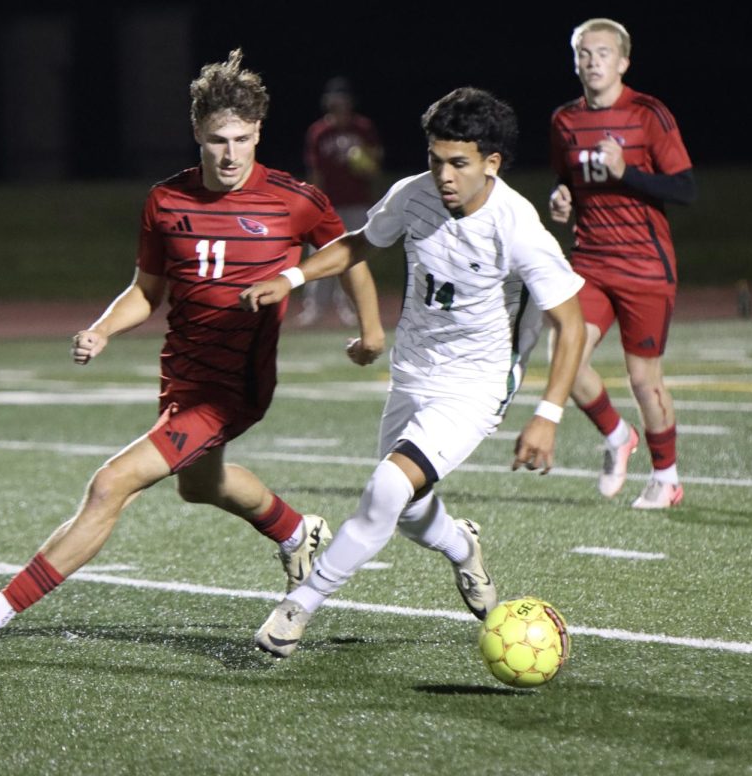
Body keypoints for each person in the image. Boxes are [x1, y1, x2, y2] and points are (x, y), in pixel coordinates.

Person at [0, 49, 386, 652]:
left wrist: (372, 329)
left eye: (242, 139)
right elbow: (146, 293)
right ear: (197, 136)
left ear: (259, 134)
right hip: (182, 377)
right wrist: (102, 329)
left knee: (110, 484)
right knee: (200, 486)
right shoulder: (165, 202)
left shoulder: (293, 198)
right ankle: (296, 531)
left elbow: (349, 251)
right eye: (216, 141)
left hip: (233, 388)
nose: (230, 155)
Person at [240, 86, 586, 658]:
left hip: (475, 385)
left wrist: (547, 416)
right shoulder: (414, 194)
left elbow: (570, 325)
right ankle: (462, 547)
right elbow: (358, 243)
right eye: (435, 158)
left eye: (458, 163)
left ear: (491, 164)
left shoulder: (517, 225)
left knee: (384, 490)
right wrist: (293, 278)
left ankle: (298, 606)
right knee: (406, 512)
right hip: (413, 372)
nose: (444, 175)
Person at [547, 18, 697, 509]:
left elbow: (685, 189)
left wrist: (627, 173)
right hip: (590, 259)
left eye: (603, 53)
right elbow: (567, 180)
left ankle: (667, 478)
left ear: (623, 61)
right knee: (564, 359)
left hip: (644, 265)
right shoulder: (564, 120)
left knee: (643, 378)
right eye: (584, 53)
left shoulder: (648, 113)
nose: (593, 62)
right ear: (575, 61)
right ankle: (616, 436)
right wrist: (562, 199)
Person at [296, 77, 385, 327]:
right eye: (335, 99)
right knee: (320, 256)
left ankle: (350, 306)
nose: (340, 104)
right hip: (329, 204)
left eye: (343, 99)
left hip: (357, 201)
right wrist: (313, 205)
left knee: (353, 256)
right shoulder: (319, 132)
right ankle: (314, 308)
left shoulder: (363, 128)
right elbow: (315, 172)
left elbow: (375, 166)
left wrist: (365, 164)